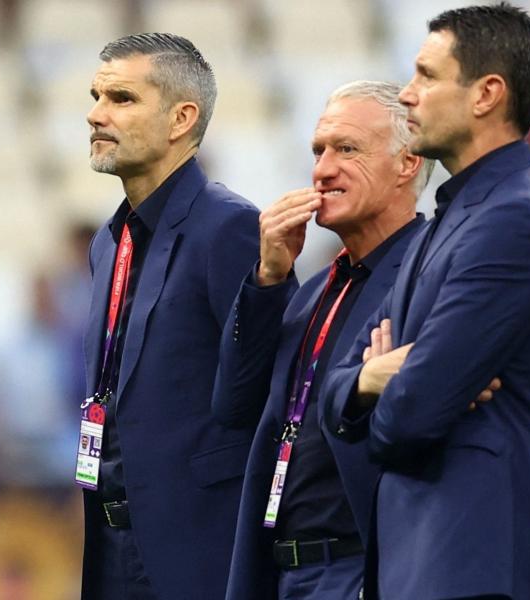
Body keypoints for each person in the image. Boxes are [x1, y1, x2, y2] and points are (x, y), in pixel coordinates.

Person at [322, 4, 530, 600]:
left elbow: (410, 418)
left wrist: (386, 392)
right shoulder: (448, 218)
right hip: (425, 561)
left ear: (487, 93)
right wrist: (368, 378)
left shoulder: (516, 220)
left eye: (427, 76)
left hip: (476, 561)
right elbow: (336, 392)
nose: (407, 95)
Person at [213, 80, 499, 600]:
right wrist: (268, 278)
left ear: (408, 162)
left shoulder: (441, 274)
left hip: (371, 568)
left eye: (346, 149)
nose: (322, 169)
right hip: (282, 571)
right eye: (318, 151)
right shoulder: (311, 290)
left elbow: (470, 391)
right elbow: (234, 406)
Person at [76, 33, 260, 600]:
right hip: (108, 541)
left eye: (122, 99)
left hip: (195, 551)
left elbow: (258, 389)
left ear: (182, 118)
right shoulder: (108, 243)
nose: (95, 114)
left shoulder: (229, 228)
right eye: (96, 96)